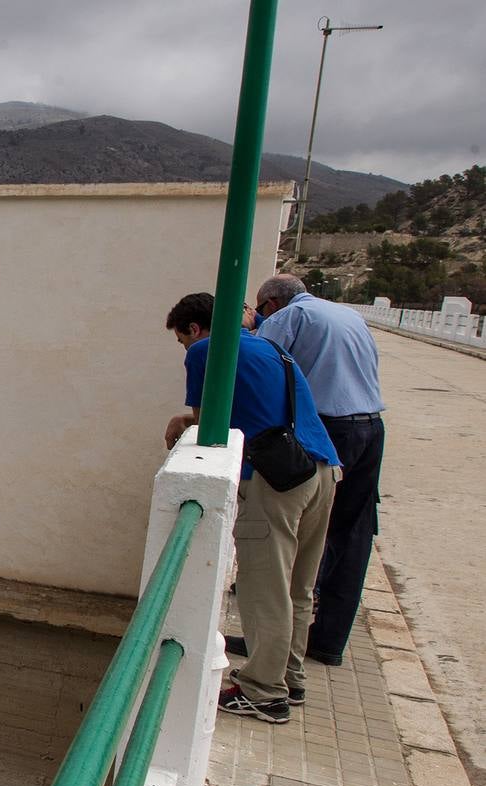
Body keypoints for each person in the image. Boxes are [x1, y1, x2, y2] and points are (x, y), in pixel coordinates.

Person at [164, 292, 341, 724]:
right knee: (299, 586)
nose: (187, 350)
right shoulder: (271, 346)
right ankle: (291, 679)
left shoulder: (208, 349)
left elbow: (209, 424)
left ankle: (263, 692)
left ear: (193, 329)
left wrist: (180, 423)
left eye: (182, 341)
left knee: (265, 588)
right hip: (322, 470)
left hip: (276, 482)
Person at [253, 274, 384, 666]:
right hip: (370, 428)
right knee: (352, 534)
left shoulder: (286, 318)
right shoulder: (347, 316)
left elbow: (259, 369)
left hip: (326, 429)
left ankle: (278, 646)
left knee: (296, 533)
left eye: (261, 311)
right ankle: (328, 642)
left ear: (271, 304)